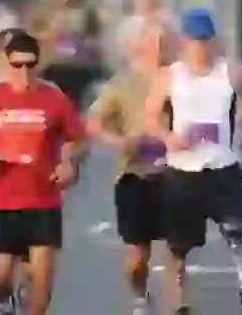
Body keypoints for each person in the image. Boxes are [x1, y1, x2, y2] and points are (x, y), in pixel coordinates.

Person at [142, 8, 242, 315]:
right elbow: (149, 117)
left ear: (214, 40)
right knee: (177, 246)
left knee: (234, 229)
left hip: (222, 166)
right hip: (182, 170)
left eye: (206, 39)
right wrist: (168, 138)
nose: (201, 46)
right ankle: (179, 304)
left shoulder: (232, 72)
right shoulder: (169, 76)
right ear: (184, 41)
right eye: (195, 40)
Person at [0, 31, 86, 315]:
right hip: (2, 201)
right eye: (17, 65)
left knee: (41, 282)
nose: (24, 72)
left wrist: (69, 163)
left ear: (38, 64)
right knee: (0, 277)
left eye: (30, 64)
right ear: (7, 64)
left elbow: (77, 138)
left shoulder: (54, 100)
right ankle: (4, 300)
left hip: (43, 201)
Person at [87, 20, 171, 315]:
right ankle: (140, 297)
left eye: (164, 41)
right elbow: (94, 122)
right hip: (134, 174)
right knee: (137, 257)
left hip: (174, 174)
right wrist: (119, 142)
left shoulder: (181, 79)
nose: (159, 47)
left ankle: (178, 304)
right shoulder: (122, 84)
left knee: (176, 250)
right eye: (152, 41)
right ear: (138, 46)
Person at [34, 0, 104, 108]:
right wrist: (50, 36)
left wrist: (85, 44)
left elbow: (96, 38)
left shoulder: (88, 9)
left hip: (78, 67)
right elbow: (31, 35)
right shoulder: (44, 7)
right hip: (51, 67)